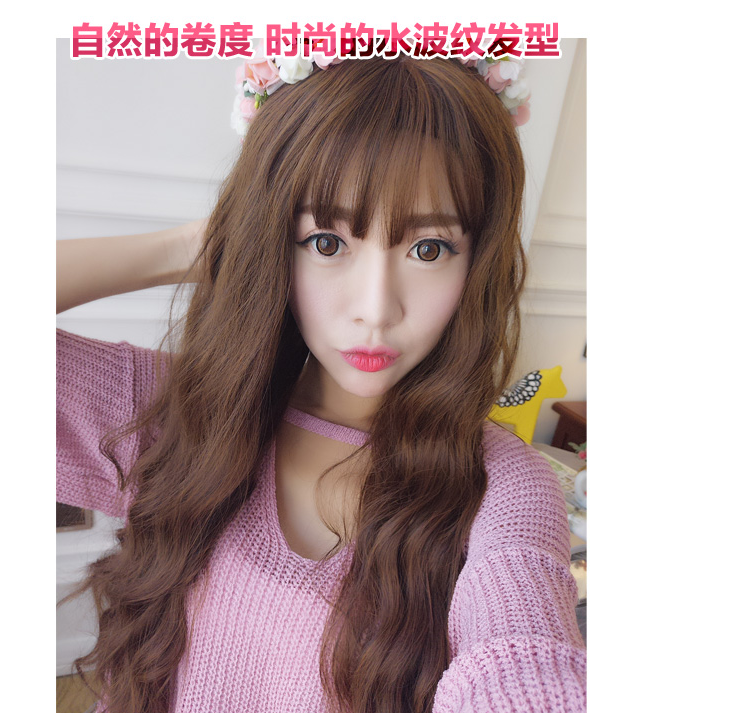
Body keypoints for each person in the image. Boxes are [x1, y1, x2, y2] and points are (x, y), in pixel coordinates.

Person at [57, 53, 586, 713]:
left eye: (428, 249)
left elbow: (524, 657)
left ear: (475, 262)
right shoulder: (177, 411)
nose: (375, 309)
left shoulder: (503, 488)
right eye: (327, 243)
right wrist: (198, 246)